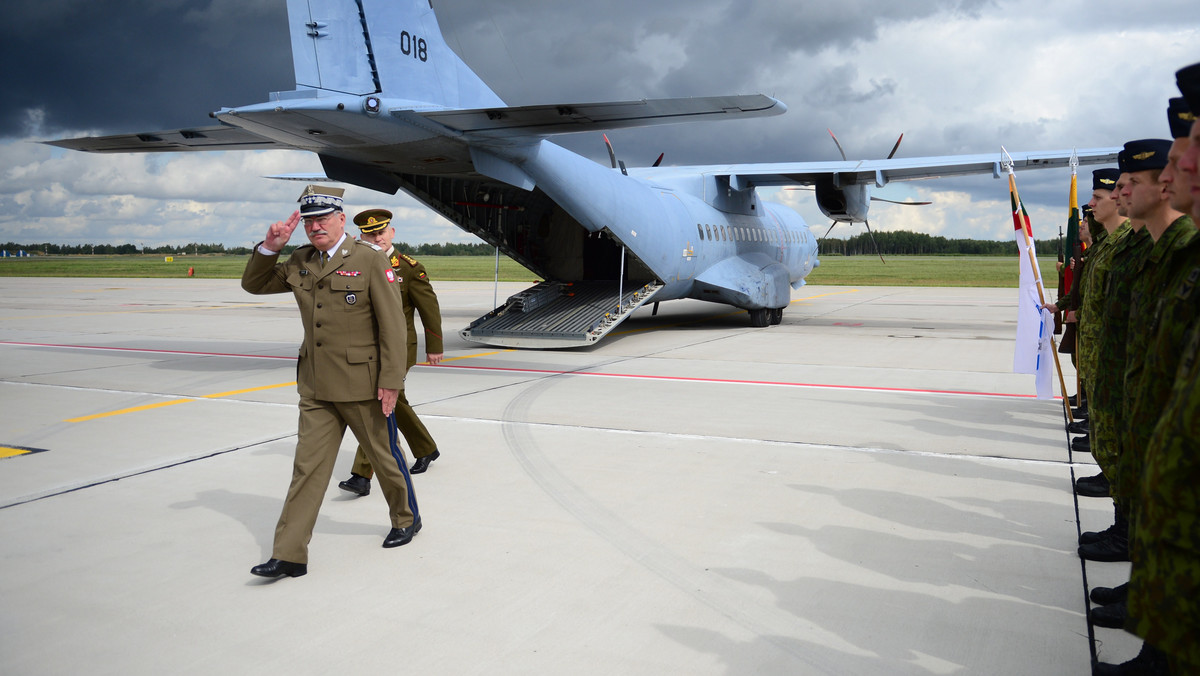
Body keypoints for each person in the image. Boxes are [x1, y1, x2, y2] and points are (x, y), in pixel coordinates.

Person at [241, 186, 421, 579]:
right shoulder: (299, 259)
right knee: (307, 469)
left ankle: (406, 518)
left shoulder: (369, 259)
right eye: (308, 220)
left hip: (364, 383)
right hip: (317, 386)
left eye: (323, 218)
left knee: (383, 456)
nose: (315, 226)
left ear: (342, 218)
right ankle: (289, 554)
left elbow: (392, 325)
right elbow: (254, 285)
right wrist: (270, 247)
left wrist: (391, 381)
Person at [338, 209, 446, 497]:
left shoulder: (409, 268)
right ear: (360, 237)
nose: (377, 238)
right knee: (395, 402)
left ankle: (361, 475)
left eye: (381, 232)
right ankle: (426, 448)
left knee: (378, 403)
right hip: (367, 349)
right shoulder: (355, 265)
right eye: (369, 234)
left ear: (392, 233)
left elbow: (429, 309)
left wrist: (434, 346)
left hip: (400, 349)